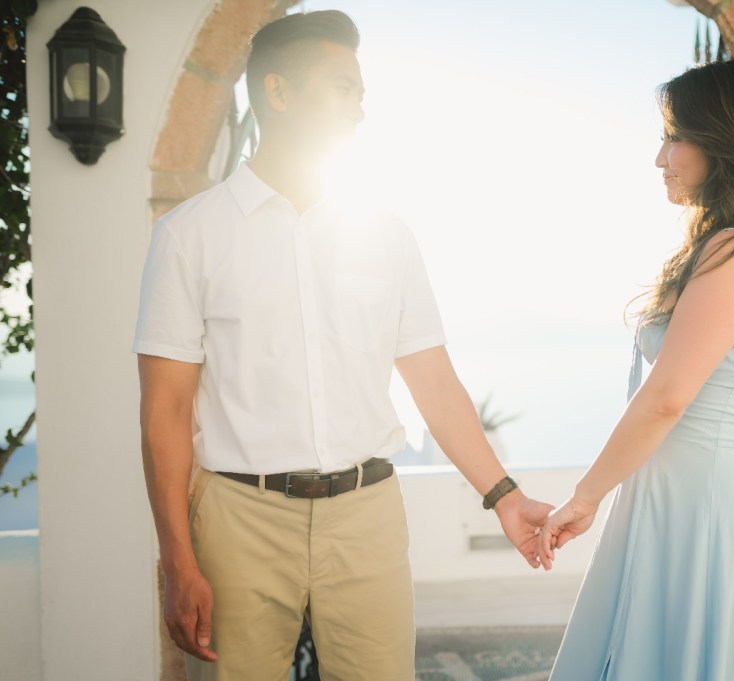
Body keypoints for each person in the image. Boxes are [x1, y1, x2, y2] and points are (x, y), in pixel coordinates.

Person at [132, 10, 552, 681]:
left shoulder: (387, 234)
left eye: (360, 92)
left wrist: (504, 494)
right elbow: (165, 411)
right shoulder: (190, 236)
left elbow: (434, 383)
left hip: (368, 514)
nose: (360, 110)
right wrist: (177, 560)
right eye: (343, 89)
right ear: (278, 93)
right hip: (240, 518)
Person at [537, 59, 734, 680]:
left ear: (724, 142)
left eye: (674, 136)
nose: (659, 157)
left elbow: (668, 396)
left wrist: (584, 497)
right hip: (696, 499)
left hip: (703, 511)